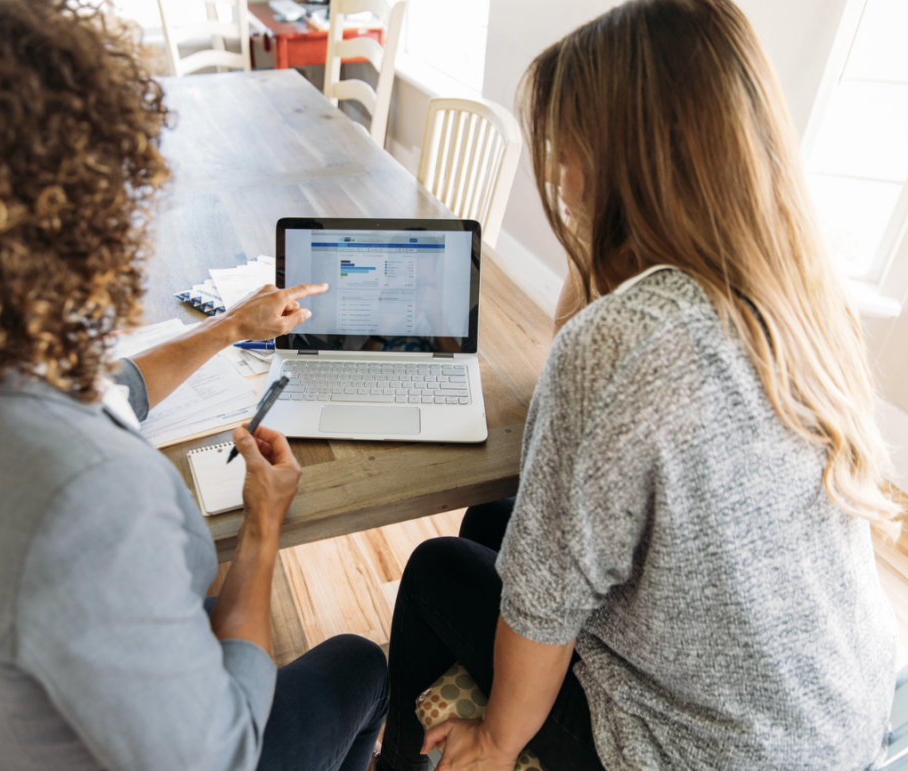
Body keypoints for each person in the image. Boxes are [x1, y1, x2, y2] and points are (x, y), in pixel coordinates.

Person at [376, 1, 900, 769]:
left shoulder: (625, 341)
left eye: (566, 147)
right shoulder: (794, 294)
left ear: (624, 155)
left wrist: (496, 737)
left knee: (431, 571)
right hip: (837, 713)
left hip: (709, 753)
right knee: (493, 518)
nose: (555, 173)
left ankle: (406, 761)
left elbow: (544, 607)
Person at [0, 2, 387, 770]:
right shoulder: (85, 494)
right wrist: (260, 528)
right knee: (360, 664)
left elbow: (106, 387)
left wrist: (225, 329)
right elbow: (219, 757)